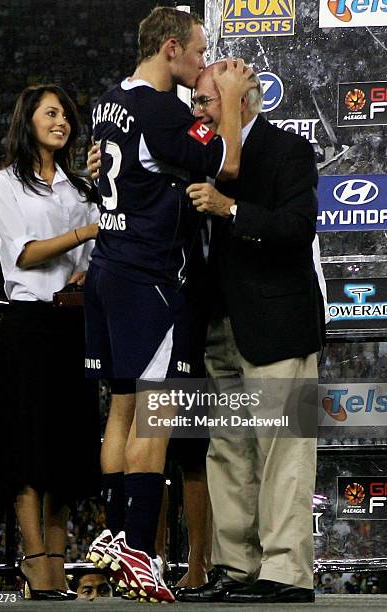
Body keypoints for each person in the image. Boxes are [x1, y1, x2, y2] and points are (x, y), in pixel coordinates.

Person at [85, 6, 256, 604]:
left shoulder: (110, 99)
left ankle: (110, 532)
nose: (205, 62)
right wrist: (230, 100)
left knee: (122, 407)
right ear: (168, 49)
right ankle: (135, 547)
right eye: (199, 50)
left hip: (106, 266)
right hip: (146, 274)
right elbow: (227, 164)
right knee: (154, 413)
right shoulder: (159, 109)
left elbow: (117, 170)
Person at [176, 63, 325, 604]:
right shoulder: (199, 152)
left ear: (246, 101)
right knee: (229, 450)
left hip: (276, 324)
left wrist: (230, 208)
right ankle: (235, 568)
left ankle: (286, 573)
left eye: (208, 100)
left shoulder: (286, 149)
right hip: (217, 323)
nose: (198, 110)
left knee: (282, 452)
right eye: (195, 100)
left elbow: (296, 227)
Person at [0, 84, 100, 601]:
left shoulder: (78, 189)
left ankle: (56, 562)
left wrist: (85, 271)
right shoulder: (2, 184)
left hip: (70, 326)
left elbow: (91, 260)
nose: (62, 122)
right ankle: (35, 563)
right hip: (27, 326)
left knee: (65, 453)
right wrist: (85, 234)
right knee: (27, 449)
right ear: (27, 119)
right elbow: (27, 255)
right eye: (51, 113)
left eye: (66, 116)